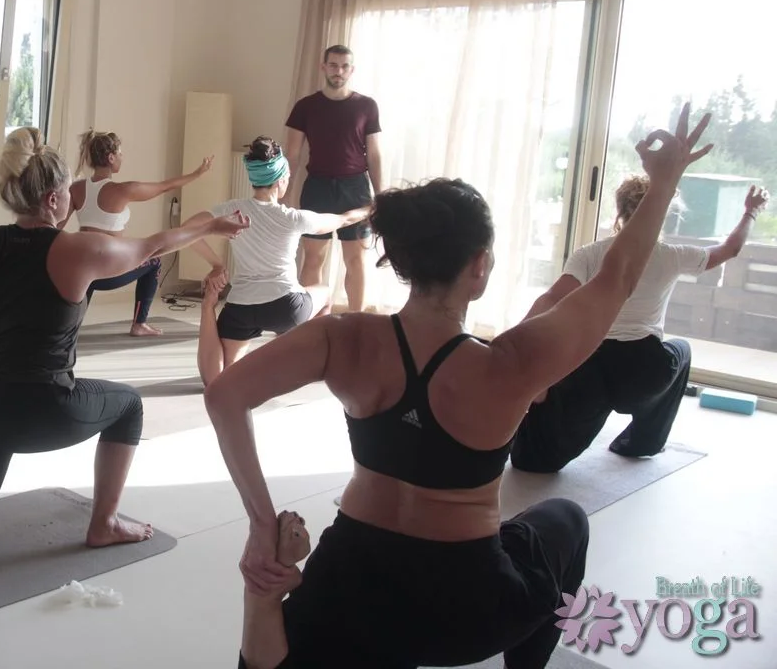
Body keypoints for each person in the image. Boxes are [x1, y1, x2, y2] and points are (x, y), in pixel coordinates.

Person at [206, 104, 713, 669]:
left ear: (400, 260)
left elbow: (224, 395)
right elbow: (618, 277)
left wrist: (261, 525)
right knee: (565, 519)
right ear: (480, 265)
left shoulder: (341, 338)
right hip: (466, 613)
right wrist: (663, 184)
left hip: (350, 593)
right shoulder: (513, 364)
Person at [0, 127, 248, 550]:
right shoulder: (80, 250)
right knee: (128, 405)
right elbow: (152, 247)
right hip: (40, 409)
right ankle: (104, 524)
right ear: (53, 199)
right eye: (69, 194)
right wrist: (211, 226)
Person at [510, 179, 770, 472]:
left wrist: (511, 348)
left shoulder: (590, 253)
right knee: (681, 350)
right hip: (643, 375)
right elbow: (730, 249)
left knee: (534, 460)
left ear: (620, 210)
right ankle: (641, 443)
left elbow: (551, 299)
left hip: (588, 369)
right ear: (663, 212)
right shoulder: (672, 255)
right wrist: (750, 212)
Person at [181, 137, 369, 385]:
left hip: (241, 310)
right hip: (286, 309)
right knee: (325, 293)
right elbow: (344, 219)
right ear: (280, 180)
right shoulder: (294, 218)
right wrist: (369, 209)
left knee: (219, 379)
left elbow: (186, 229)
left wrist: (217, 265)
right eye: (288, 177)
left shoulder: (231, 211)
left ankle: (208, 307)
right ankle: (311, 362)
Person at [65, 128, 214, 336]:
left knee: (88, 261)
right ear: (111, 157)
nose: (122, 157)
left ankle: (70, 326)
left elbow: (55, 226)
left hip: (81, 272)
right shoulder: (123, 190)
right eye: (120, 153)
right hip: (109, 273)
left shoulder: (75, 188)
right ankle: (139, 324)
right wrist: (198, 173)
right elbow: (164, 187)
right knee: (154, 261)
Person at [284, 45, 383, 315]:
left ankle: (355, 320)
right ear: (323, 67)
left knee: (356, 259)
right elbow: (292, 155)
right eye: (333, 65)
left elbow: (374, 154)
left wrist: (381, 195)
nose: (338, 71)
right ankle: (313, 321)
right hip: (318, 187)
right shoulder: (305, 106)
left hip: (356, 189)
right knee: (313, 258)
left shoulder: (367, 106)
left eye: (344, 66)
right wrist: (283, 194)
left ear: (351, 70)